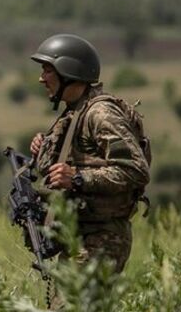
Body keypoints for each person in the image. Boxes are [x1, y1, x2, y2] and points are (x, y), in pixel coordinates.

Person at [28, 33, 151, 283]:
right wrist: (43, 149)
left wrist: (78, 179)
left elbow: (136, 170)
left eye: (47, 70)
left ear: (67, 70)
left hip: (103, 238)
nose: (41, 79)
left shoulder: (100, 113)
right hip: (81, 237)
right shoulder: (74, 112)